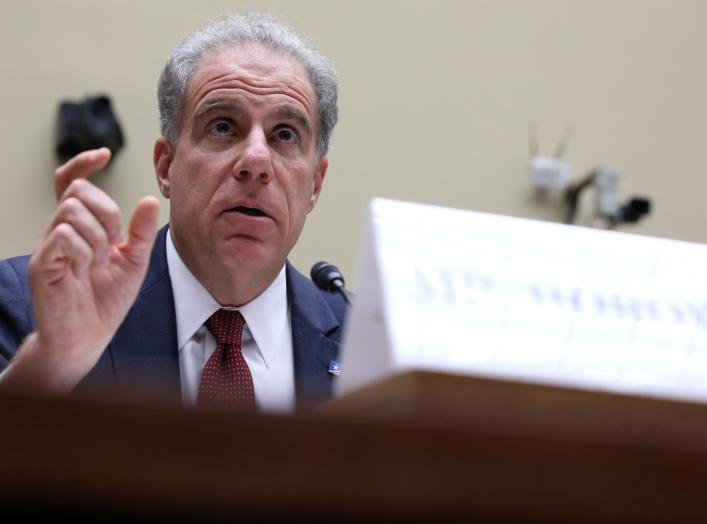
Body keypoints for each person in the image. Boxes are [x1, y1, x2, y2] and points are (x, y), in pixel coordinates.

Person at [0, 12, 347, 413]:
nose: (256, 160)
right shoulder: (29, 306)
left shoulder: (369, 348)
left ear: (315, 185)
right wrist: (50, 364)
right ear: (166, 167)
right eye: (223, 127)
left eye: (284, 135)